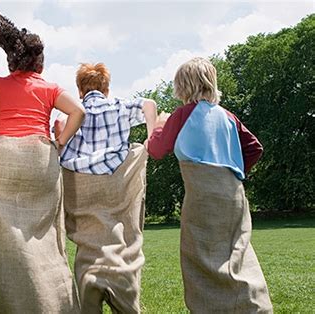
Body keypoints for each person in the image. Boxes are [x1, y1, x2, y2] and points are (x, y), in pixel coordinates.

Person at [0, 9, 84, 313]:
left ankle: (3, 301)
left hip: (2, 159)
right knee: (43, 236)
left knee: (2, 237)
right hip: (38, 160)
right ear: (39, 61)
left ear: (11, 60)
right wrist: (61, 140)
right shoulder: (50, 87)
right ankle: (51, 301)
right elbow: (78, 111)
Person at [146, 57, 273, 313]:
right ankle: (254, 306)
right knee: (237, 254)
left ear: (183, 86)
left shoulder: (183, 114)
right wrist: (231, 170)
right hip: (234, 195)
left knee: (200, 260)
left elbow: (157, 150)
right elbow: (254, 148)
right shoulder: (228, 116)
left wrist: (157, 126)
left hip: (202, 197)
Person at [55, 63, 160, 313]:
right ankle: (120, 281)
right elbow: (149, 105)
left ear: (80, 90)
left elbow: (59, 129)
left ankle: (90, 280)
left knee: (89, 234)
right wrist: (151, 137)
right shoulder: (119, 105)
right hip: (115, 175)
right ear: (107, 88)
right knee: (120, 227)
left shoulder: (75, 110)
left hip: (79, 177)